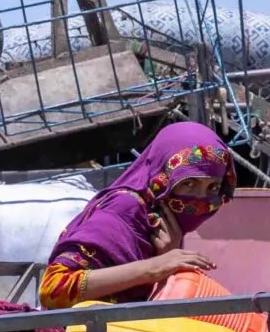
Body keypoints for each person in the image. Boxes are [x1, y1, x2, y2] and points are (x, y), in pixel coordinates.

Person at [36, 122, 236, 309]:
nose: (200, 199)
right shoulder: (127, 208)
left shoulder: (163, 221)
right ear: (162, 175)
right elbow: (53, 289)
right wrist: (155, 267)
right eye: (189, 183)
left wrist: (164, 259)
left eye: (213, 187)